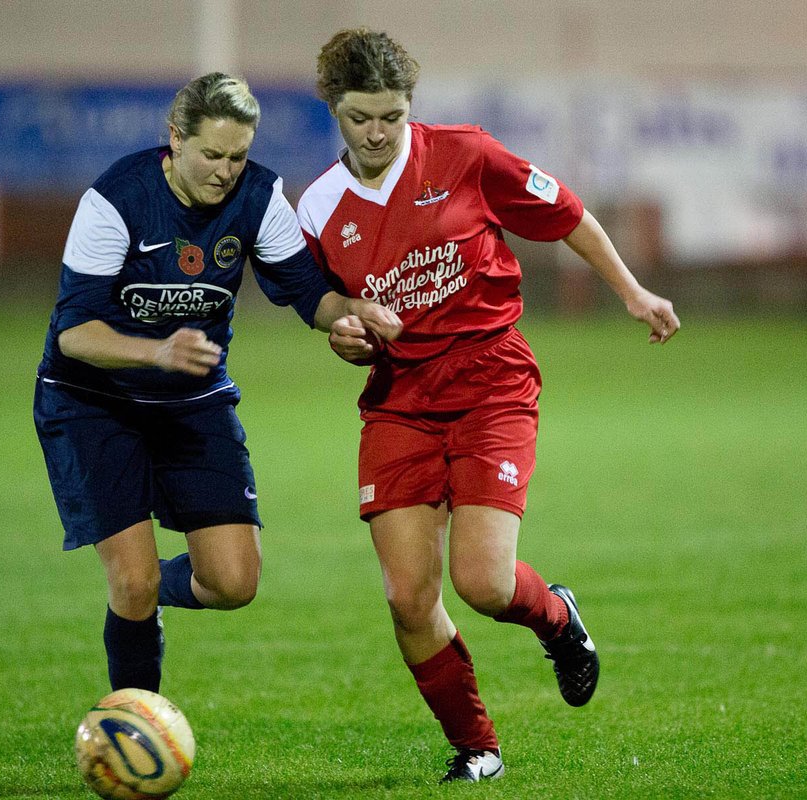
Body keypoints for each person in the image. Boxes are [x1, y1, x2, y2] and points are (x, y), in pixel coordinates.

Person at [297, 28, 681, 783]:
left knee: (482, 583)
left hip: (490, 382)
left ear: (411, 107)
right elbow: (332, 306)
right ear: (333, 110)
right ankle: (478, 747)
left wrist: (633, 291)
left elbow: (566, 212)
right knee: (409, 596)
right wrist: (343, 334)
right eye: (358, 117)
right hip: (400, 398)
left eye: (391, 115)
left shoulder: (467, 155)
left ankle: (558, 620)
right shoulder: (316, 206)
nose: (376, 132)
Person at [33, 72, 401, 697]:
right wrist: (156, 351)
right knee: (132, 580)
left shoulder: (258, 197)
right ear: (174, 140)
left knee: (233, 583)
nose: (225, 171)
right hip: (94, 402)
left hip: (191, 401)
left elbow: (309, 294)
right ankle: (134, 722)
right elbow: (75, 333)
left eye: (237, 157)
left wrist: (351, 315)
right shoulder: (117, 198)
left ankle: (148, 586)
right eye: (211, 154)